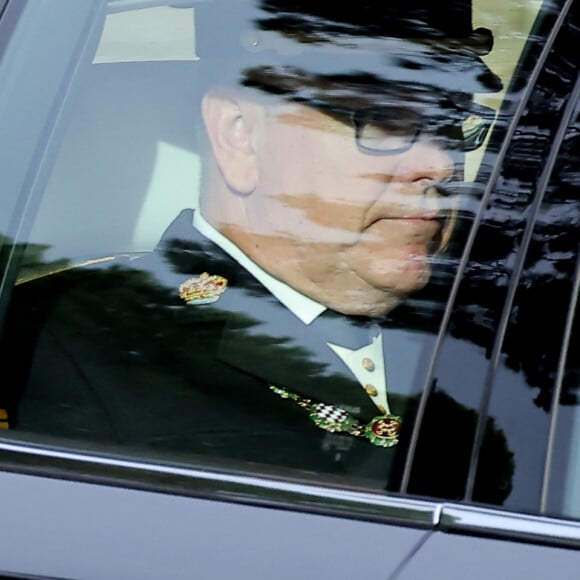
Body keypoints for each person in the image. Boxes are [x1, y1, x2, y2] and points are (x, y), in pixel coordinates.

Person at [1, 0, 515, 497]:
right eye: (385, 118)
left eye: (452, 119)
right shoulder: (53, 338)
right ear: (239, 136)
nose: (442, 164)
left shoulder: (495, 347)